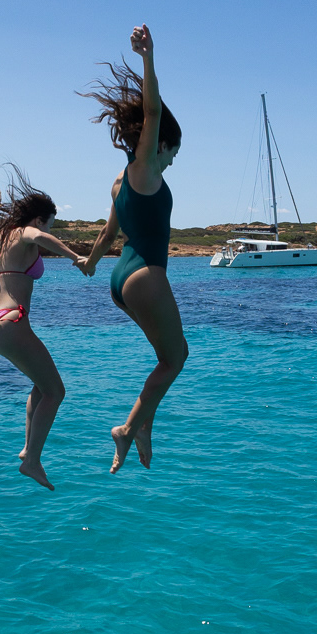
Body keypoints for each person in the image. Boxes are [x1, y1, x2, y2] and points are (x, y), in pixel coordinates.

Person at [81, 24, 188, 472]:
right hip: (145, 275)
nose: (173, 160)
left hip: (120, 279)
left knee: (164, 359)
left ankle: (144, 425)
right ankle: (127, 428)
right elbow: (152, 110)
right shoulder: (145, 170)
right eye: (173, 152)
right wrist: (148, 58)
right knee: (176, 358)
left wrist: (88, 262)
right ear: (159, 143)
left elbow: (108, 235)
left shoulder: (120, 181)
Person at [0, 168, 87, 489]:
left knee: (42, 386)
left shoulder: (0, 234)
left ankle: (29, 450)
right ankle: (32, 460)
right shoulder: (27, 231)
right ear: (39, 219)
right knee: (56, 392)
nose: (48, 229)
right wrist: (75, 257)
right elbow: (39, 237)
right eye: (50, 223)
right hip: (11, 322)